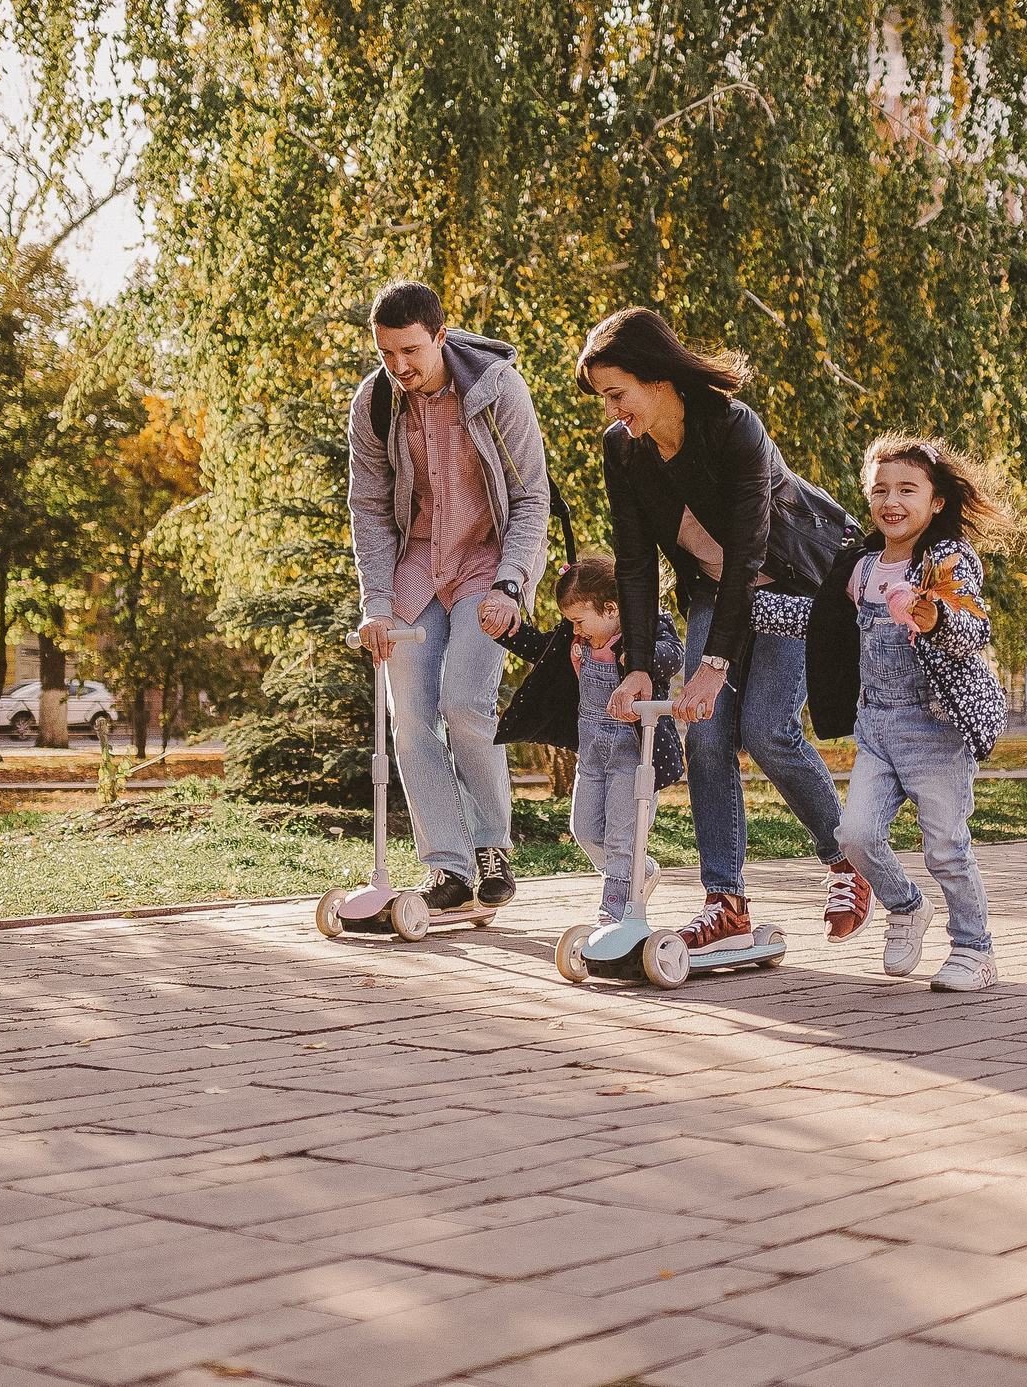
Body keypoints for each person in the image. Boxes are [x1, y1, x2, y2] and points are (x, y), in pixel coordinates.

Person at [579, 307, 860, 954]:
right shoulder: (623, 451)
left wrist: (715, 664)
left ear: (657, 378)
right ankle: (725, 902)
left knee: (766, 727)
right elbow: (634, 565)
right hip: (713, 588)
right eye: (604, 398)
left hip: (788, 581)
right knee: (705, 732)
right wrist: (640, 664)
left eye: (617, 394)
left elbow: (749, 552)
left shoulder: (733, 427)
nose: (612, 411)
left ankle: (846, 858)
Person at [349, 279, 553, 912]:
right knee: (410, 724)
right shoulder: (375, 402)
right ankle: (447, 866)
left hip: (484, 567)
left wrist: (512, 584)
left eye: (411, 350)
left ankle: (492, 846)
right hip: (414, 570)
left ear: (440, 335)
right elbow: (370, 508)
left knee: (465, 704)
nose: (400, 366)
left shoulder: (496, 388)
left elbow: (530, 498)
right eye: (387, 353)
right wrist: (376, 603)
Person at [806, 435, 1020, 992]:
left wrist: (936, 620)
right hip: (878, 724)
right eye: (880, 490)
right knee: (853, 836)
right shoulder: (859, 565)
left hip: (936, 726)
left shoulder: (947, 560)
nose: (891, 501)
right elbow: (819, 623)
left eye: (907, 489)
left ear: (936, 502)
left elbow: (975, 626)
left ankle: (975, 951)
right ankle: (905, 906)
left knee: (945, 845)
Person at [492, 555, 686, 925]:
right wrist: (507, 632)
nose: (575, 630)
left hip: (634, 754)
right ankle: (636, 871)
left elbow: (674, 654)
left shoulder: (646, 626)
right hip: (593, 752)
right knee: (584, 830)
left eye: (579, 621)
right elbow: (541, 649)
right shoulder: (577, 638)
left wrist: (639, 659)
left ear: (611, 608)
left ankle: (614, 913)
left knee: (620, 839)